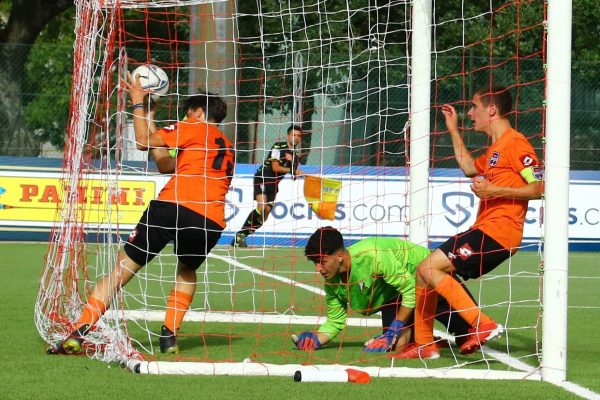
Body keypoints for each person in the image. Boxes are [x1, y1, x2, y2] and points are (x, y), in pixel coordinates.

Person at [48, 74, 234, 355]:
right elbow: (164, 163)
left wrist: (136, 101)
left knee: (122, 269)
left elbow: (143, 143)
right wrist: (149, 115)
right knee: (187, 270)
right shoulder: (225, 144)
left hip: (172, 207)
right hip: (209, 220)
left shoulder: (194, 127)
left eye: (188, 112)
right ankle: (169, 336)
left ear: (198, 112)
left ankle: (79, 330)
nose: (185, 116)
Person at [396, 86, 544, 359]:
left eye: (474, 106)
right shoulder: (496, 149)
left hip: (499, 233)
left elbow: (538, 188)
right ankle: (425, 344)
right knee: (423, 272)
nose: (469, 113)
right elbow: (467, 167)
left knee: (428, 267)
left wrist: (494, 191)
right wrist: (453, 129)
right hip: (484, 229)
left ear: (492, 109)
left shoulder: (516, 144)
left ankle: (481, 324)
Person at [292, 226, 474, 354]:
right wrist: (316, 339)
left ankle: (422, 332)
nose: (318, 269)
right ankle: (422, 336)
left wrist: (395, 328)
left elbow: (410, 289)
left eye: (321, 262)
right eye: (314, 263)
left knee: (469, 336)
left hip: (431, 277)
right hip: (394, 296)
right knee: (395, 345)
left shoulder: (373, 256)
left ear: (339, 256)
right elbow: (336, 321)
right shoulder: (331, 282)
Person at [231, 125, 304, 247]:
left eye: (298, 136)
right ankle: (240, 236)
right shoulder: (278, 146)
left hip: (274, 184)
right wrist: (291, 169)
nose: (296, 138)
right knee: (262, 206)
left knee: (264, 216)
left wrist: (297, 170)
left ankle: (241, 235)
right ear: (288, 135)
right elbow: (275, 167)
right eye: (294, 135)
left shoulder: (297, 155)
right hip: (263, 177)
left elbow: (293, 175)